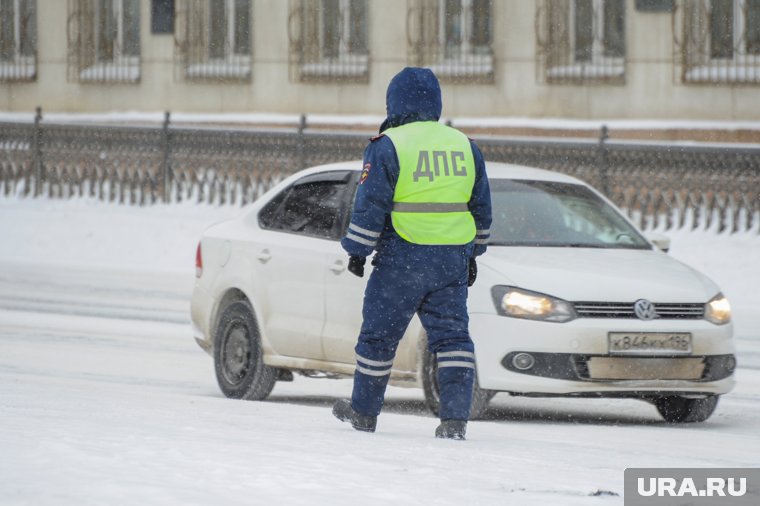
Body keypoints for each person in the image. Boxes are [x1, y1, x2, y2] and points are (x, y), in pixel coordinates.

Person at [332, 67, 492, 440]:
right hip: (451, 260)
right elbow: (481, 208)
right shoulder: (465, 146)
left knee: (379, 338)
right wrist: (474, 253)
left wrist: (357, 250)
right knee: (452, 341)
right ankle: (454, 420)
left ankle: (364, 412)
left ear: (394, 102)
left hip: (402, 258)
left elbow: (370, 205)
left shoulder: (388, 144)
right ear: (436, 103)